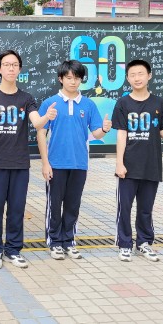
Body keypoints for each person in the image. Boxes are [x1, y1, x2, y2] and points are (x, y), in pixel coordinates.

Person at [0, 50, 57, 270]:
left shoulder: (26, 98)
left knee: (17, 209)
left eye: (15, 65)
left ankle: (13, 250)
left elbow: (37, 123)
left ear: (20, 69)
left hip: (20, 164)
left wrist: (46, 117)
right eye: (6, 64)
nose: (11, 68)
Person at [112, 59, 163, 262]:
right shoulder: (122, 103)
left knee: (146, 209)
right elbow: (121, 134)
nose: (137, 78)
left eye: (141, 74)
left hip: (151, 165)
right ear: (127, 78)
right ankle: (124, 244)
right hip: (128, 166)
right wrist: (119, 162)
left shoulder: (158, 102)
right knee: (124, 207)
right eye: (132, 75)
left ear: (149, 76)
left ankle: (144, 243)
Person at [36, 60, 112, 260]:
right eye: (69, 77)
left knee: (73, 205)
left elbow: (96, 132)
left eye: (77, 78)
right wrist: (45, 163)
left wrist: (104, 129)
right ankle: (54, 242)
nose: (73, 81)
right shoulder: (50, 103)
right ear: (60, 79)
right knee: (54, 205)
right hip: (56, 164)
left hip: (79, 163)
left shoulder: (88, 104)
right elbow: (41, 133)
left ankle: (69, 241)